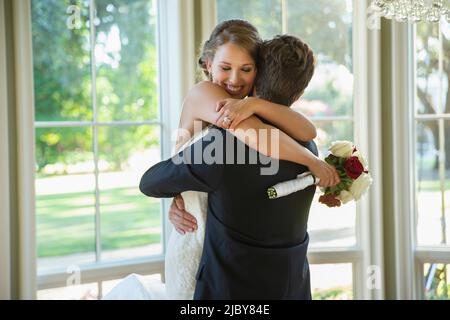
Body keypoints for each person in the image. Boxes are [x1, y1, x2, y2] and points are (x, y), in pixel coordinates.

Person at [140, 35, 326, 299]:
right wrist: (184, 194)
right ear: (300, 91)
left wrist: (179, 189)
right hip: (293, 289)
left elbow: (150, 182)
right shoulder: (307, 146)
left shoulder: (221, 148)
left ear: (256, 74)